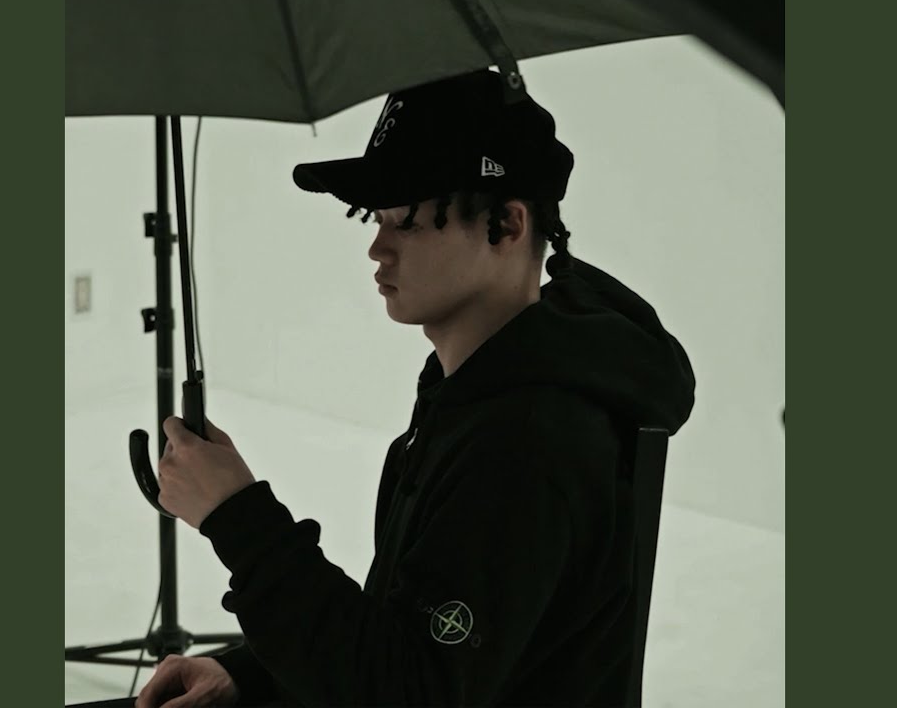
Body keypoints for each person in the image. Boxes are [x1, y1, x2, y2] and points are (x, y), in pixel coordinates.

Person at [137, 69, 696, 708]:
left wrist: (237, 516)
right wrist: (253, 674)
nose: (378, 248)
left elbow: (407, 691)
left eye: (406, 221)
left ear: (508, 225)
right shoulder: (472, 392)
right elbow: (405, 634)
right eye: (375, 220)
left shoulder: (527, 442)